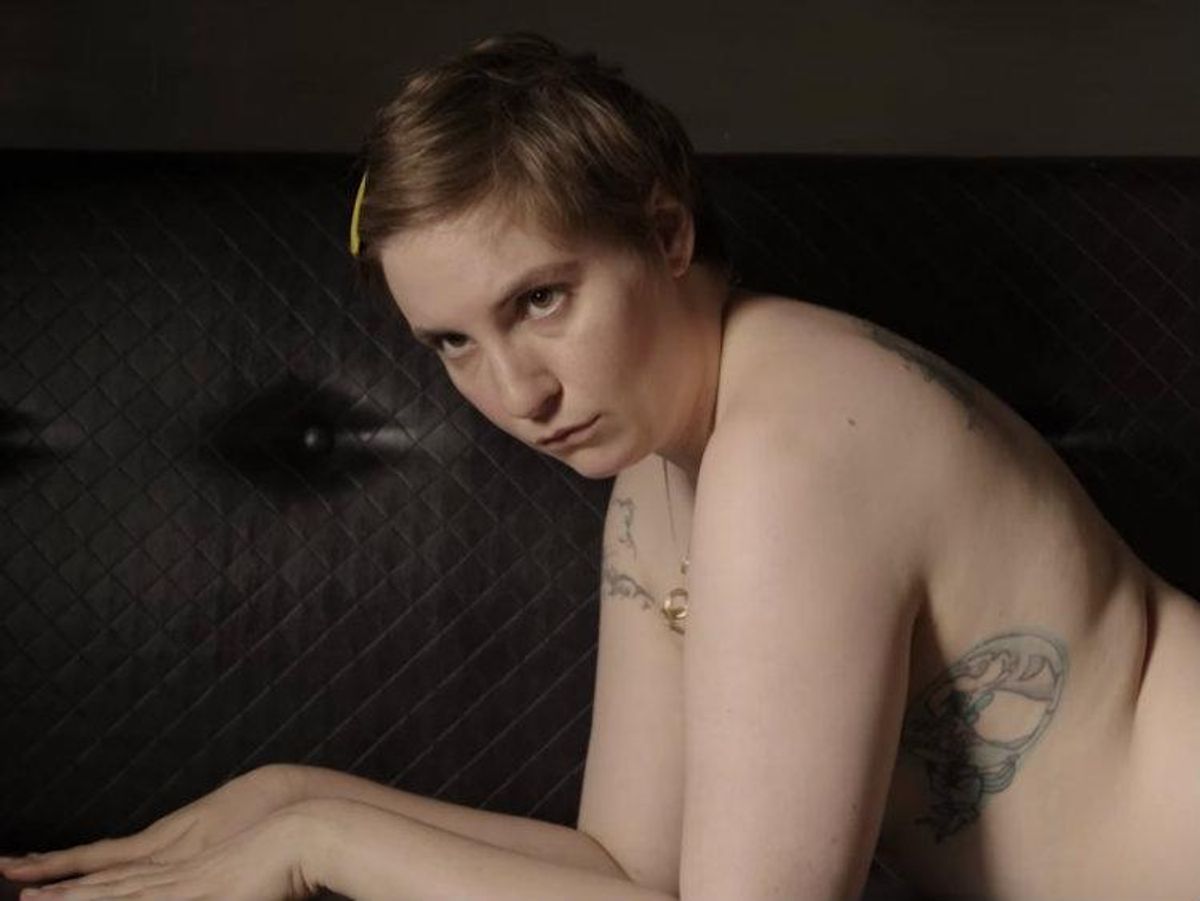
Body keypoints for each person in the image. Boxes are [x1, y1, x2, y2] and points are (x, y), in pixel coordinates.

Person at [3, 30, 1198, 901]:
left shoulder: (792, 450)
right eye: (452, 342)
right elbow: (628, 869)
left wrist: (322, 848)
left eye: (541, 299)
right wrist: (293, 795)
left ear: (666, 233)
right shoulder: (658, 481)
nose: (516, 393)